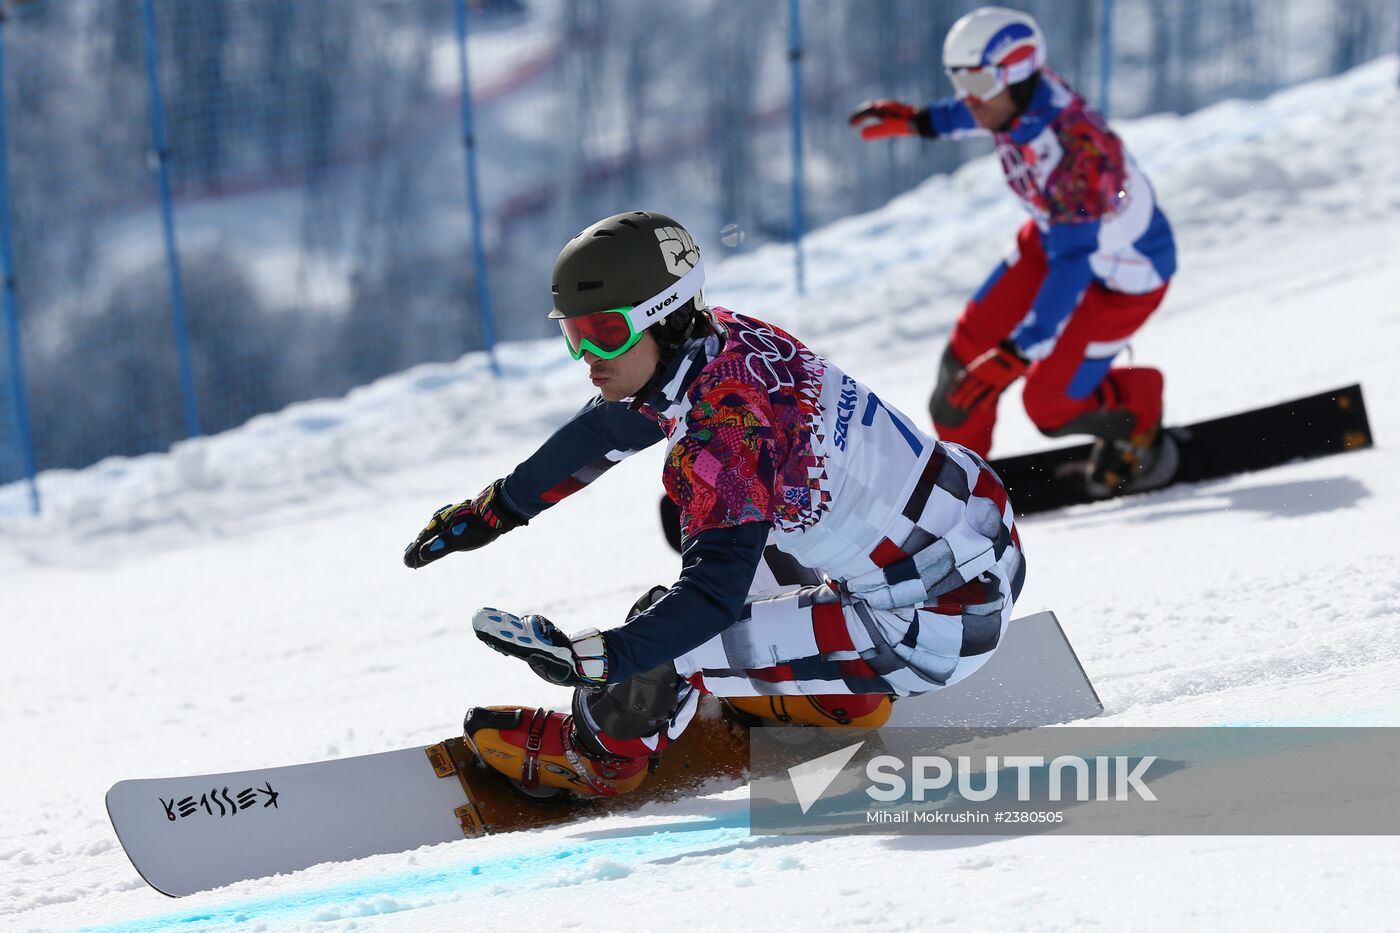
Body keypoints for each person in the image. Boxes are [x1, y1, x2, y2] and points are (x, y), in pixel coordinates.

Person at [403, 211, 1024, 799]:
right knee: (710, 523)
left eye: (606, 332)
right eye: (574, 333)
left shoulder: (723, 433)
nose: (589, 355)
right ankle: (815, 671)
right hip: (975, 531)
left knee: (672, 637)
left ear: (663, 314)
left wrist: (597, 661)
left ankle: (602, 755)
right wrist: (499, 507)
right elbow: (611, 427)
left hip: (929, 628)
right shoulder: (727, 337)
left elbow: (709, 598)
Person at [850, 6, 1178, 495]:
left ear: (1019, 71)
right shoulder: (1016, 100)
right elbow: (980, 110)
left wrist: (1022, 347)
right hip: (1057, 240)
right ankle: (967, 489)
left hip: (1124, 278)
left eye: (979, 83)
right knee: (961, 381)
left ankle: (1139, 410)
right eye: (959, 81)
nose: (970, 98)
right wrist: (924, 121)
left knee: (1049, 406)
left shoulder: (1075, 153)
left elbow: (1073, 265)